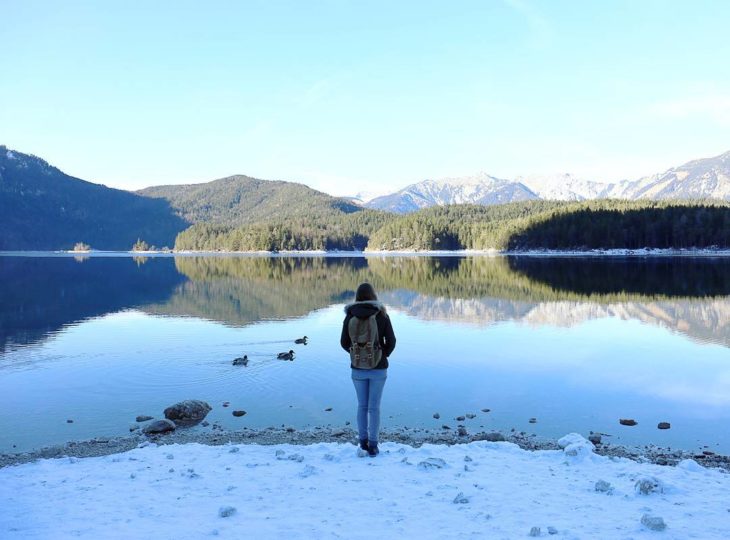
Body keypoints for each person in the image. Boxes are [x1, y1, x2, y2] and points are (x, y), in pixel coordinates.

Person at [340, 282, 396, 457]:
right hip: (379, 369)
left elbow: (344, 343)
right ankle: (373, 445)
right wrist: (382, 355)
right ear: (374, 295)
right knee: (374, 407)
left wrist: (356, 353)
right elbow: (392, 341)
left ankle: (362, 442)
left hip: (357, 368)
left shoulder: (349, 315)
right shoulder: (382, 314)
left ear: (357, 296)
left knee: (362, 406)